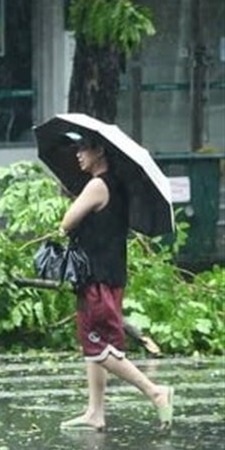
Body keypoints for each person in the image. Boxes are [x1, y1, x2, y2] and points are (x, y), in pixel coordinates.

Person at [58, 133, 173, 431]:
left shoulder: (97, 185)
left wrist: (72, 214)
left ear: (99, 151)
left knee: (98, 343)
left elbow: (67, 222)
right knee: (93, 345)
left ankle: (154, 391)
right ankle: (95, 412)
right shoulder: (115, 186)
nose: (78, 155)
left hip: (98, 277)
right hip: (109, 274)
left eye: (83, 148)